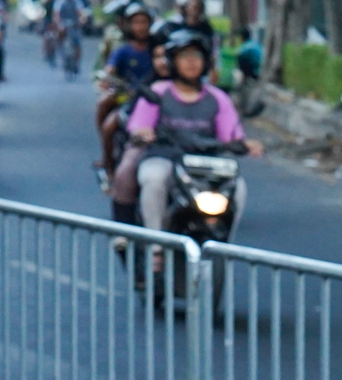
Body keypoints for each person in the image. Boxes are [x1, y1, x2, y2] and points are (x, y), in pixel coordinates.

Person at [110, 26, 259, 230]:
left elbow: (231, 136)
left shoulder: (218, 98)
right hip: (164, 156)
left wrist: (246, 145)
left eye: (196, 56)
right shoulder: (158, 92)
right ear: (173, 61)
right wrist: (143, 134)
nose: (191, 62)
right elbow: (139, 127)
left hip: (205, 163)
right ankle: (156, 241)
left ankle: (223, 244)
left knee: (238, 188)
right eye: (184, 56)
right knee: (153, 178)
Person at [93, 0, 154, 180]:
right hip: (127, 96)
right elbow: (109, 70)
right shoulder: (122, 51)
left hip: (153, 98)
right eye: (136, 22)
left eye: (144, 22)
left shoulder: (157, 49)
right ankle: (108, 164)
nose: (140, 27)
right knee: (108, 124)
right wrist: (107, 80)